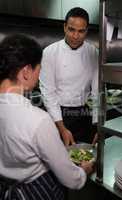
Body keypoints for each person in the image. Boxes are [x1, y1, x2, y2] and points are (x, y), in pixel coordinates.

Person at [0, 34, 94, 200]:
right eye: (39, 68)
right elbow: (72, 180)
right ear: (26, 72)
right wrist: (85, 170)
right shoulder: (38, 120)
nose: (39, 75)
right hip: (37, 192)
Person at [39, 7, 98, 145]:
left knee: (86, 155)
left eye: (81, 31)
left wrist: (98, 126)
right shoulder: (49, 52)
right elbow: (48, 93)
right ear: (65, 27)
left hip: (84, 114)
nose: (75, 36)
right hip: (58, 115)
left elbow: (97, 92)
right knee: (59, 158)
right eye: (71, 29)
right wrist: (62, 128)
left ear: (86, 31)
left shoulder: (94, 53)